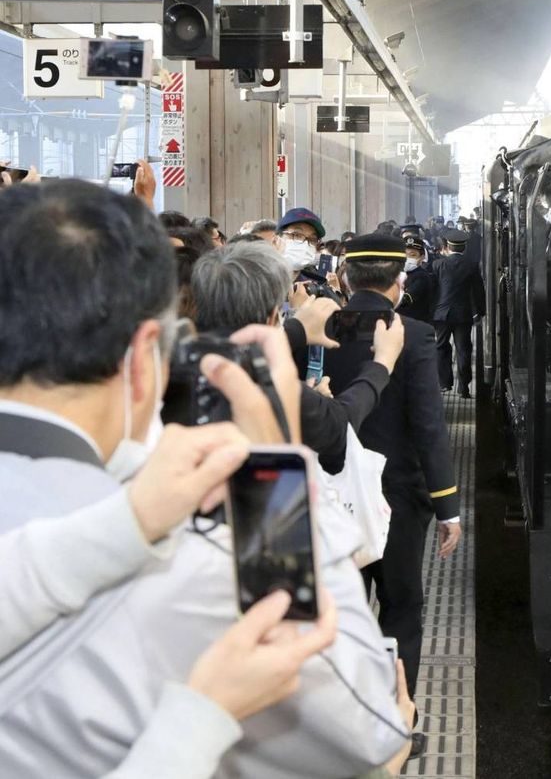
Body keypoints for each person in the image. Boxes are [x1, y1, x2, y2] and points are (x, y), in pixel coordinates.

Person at [0, 180, 407, 777]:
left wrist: (127, 522)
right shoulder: (208, 562)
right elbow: (369, 728)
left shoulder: (126, 529)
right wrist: (276, 482)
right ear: (147, 356)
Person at [323, 234, 459, 755]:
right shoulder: (417, 334)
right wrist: (447, 504)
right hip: (400, 498)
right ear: (399, 283)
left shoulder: (320, 330)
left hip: (333, 499)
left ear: (344, 279)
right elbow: (428, 426)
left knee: (344, 607)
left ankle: (342, 724)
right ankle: (393, 724)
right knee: (401, 607)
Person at [190, 240, 405, 472]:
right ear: (273, 317)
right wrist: (382, 364)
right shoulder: (269, 382)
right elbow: (338, 427)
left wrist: (296, 331)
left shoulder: (177, 358)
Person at [432, 228, 485, 398]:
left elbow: (433, 290)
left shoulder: (438, 265)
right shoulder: (471, 265)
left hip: (441, 314)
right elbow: (479, 291)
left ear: (447, 246)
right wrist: (480, 312)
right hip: (463, 314)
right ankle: (464, 387)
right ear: (464, 247)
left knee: (441, 347)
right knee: (463, 349)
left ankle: (445, 383)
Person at [397, 234, 437, 325]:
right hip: (400, 324)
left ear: (422, 257)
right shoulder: (397, 273)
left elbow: (406, 299)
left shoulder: (422, 276)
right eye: (405, 255)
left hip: (417, 325)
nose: (407, 259)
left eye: (412, 255)